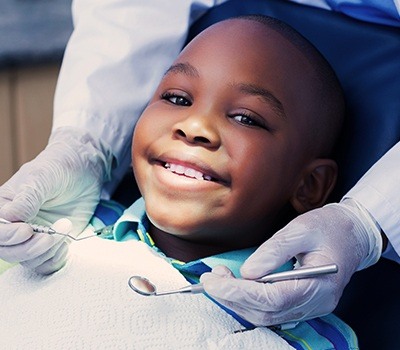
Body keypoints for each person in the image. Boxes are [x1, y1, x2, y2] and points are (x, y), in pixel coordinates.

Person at [0, 0, 398, 328]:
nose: (194, 127)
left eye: (246, 118)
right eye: (176, 98)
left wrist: (366, 223)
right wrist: (86, 144)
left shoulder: (302, 322)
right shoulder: (62, 236)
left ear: (310, 185)